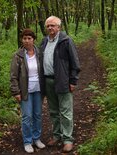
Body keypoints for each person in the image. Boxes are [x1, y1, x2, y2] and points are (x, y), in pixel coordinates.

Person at [39, 16, 80, 152]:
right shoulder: (44, 41)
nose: (50, 28)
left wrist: (73, 81)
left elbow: (75, 63)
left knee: (66, 111)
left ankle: (68, 139)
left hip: (63, 81)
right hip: (48, 80)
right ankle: (57, 136)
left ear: (59, 27)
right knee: (53, 111)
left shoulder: (66, 41)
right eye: (48, 26)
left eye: (52, 25)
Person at [10, 28, 46, 153]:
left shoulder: (39, 53)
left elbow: (44, 71)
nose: (26, 41)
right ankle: (27, 141)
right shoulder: (18, 56)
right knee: (27, 117)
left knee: (37, 115)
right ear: (22, 40)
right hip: (25, 91)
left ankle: (37, 139)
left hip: (38, 90)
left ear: (33, 40)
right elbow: (13, 76)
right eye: (24, 38)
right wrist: (16, 92)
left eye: (29, 38)